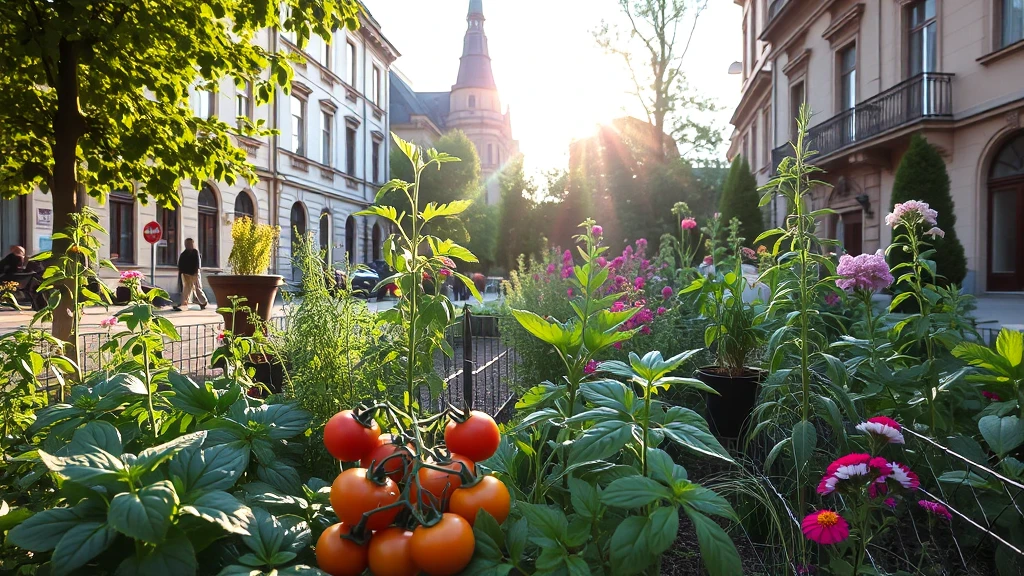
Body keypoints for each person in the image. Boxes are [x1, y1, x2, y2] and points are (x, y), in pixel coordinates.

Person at [173, 238, 208, 311]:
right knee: (186, 289)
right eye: (187, 244)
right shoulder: (184, 254)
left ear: (192, 244)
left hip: (194, 273)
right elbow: (180, 264)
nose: (188, 245)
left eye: (189, 243)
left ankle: (203, 302)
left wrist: (196, 271)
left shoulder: (195, 252)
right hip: (186, 274)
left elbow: (198, 264)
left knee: (197, 288)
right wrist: (182, 273)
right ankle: (183, 304)